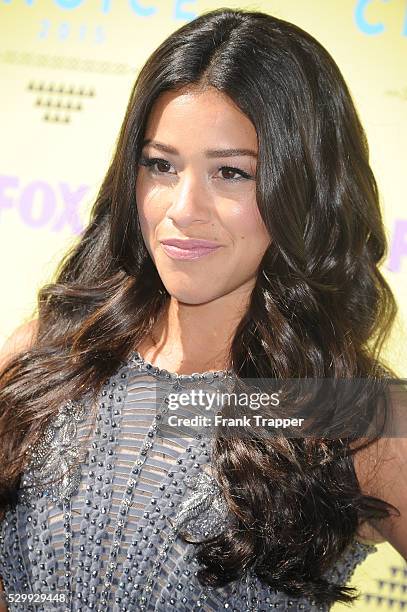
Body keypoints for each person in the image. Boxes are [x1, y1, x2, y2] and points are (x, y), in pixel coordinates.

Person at [0, 7, 406, 612]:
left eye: (232, 173)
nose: (184, 208)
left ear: (304, 189)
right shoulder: (52, 355)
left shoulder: (353, 412)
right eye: (160, 165)